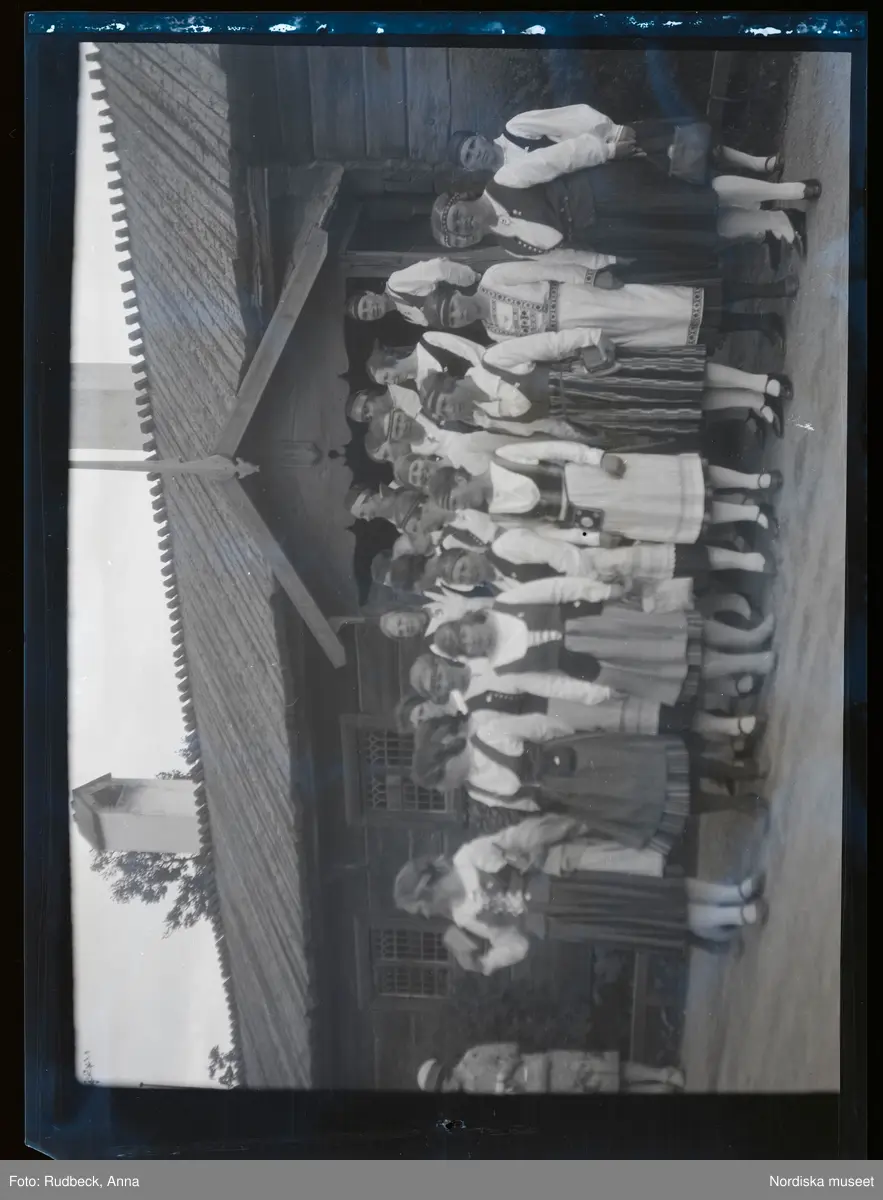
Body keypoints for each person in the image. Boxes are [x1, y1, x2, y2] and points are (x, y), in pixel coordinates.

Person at [393, 812, 770, 965]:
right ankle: (737, 914)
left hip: (567, 877)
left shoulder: (469, 856)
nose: (426, 914)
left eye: (420, 907)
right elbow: (516, 944)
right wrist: (489, 961)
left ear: (427, 888)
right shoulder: (463, 919)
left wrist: (540, 844)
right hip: (565, 921)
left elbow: (517, 838)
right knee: (648, 915)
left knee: (650, 886)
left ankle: (733, 895)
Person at [430, 130, 820, 264]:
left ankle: (789, 191)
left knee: (696, 197)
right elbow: (566, 255)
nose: (463, 223)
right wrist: (609, 261)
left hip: (607, 192)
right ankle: (777, 221)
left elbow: (558, 158)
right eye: (458, 228)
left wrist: (604, 150)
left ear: (462, 198)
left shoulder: (504, 179)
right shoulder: (507, 245)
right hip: (609, 234)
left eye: (457, 215)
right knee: (699, 226)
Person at [424, 328, 793, 451]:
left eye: (445, 403)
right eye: (443, 414)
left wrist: (593, 338)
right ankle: (753, 403)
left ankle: (760, 382)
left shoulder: (493, 361)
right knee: (680, 407)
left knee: (681, 377)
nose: (450, 412)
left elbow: (551, 344)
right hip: (592, 412)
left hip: (592, 376)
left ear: (451, 383)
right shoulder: (487, 418)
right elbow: (542, 427)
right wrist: (584, 436)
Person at [431, 575, 778, 706]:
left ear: (467, 622)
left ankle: (751, 637)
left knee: (681, 629)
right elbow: (553, 686)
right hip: (596, 663)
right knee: (676, 664)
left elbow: (557, 588)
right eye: (465, 648)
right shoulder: (504, 671)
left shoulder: (505, 603)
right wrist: (598, 694)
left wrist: (601, 591)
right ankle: (751, 662)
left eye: (464, 635)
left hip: (597, 619)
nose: (471, 643)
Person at [428, 441, 782, 547]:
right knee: (668, 512)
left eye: (454, 500)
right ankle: (752, 514)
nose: (461, 508)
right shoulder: (500, 516)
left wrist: (597, 458)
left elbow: (555, 448)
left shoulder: (504, 457)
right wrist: (594, 538)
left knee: (674, 479)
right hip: (593, 516)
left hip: (589, 478)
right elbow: (552, 532)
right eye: (453, 509)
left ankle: (754, 482)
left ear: (459, 480)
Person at [419, 258, 797, 353]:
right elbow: (543, 349)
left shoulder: (494, 278)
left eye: (452, 306)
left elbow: (547, 268)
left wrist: (590, 277)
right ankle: (760, 323)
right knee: (668, 329)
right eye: (452, 320)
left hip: (582, 298)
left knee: (670, 303)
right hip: (586, 332)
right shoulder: (495, 336)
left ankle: (770, 288)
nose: (458, 314)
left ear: (456, 293)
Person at [447, 106, 784, 182]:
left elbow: (567, 119)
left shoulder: (516, 128)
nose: (476, 154)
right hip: (600, 184)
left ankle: (759, 164)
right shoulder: (504, 180)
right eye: (469, 157)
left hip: (611, 146)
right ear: (469, 168)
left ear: (480, 136)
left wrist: (611, 131)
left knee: (690, 149)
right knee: (684, 186)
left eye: (472, 145)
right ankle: (761, 207)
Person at [417, 1044, 684, 1094]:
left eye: (442, 1087)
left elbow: (511, 1049)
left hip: (549, 1067)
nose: (446, 1092)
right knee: (604, 1091)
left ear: (444, 1077)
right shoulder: (470, 1093)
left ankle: (664, 1074)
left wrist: (502, 1078)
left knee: (608, 1069)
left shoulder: (473, 1057)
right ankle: (658, 1090)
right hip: (547, 1091)